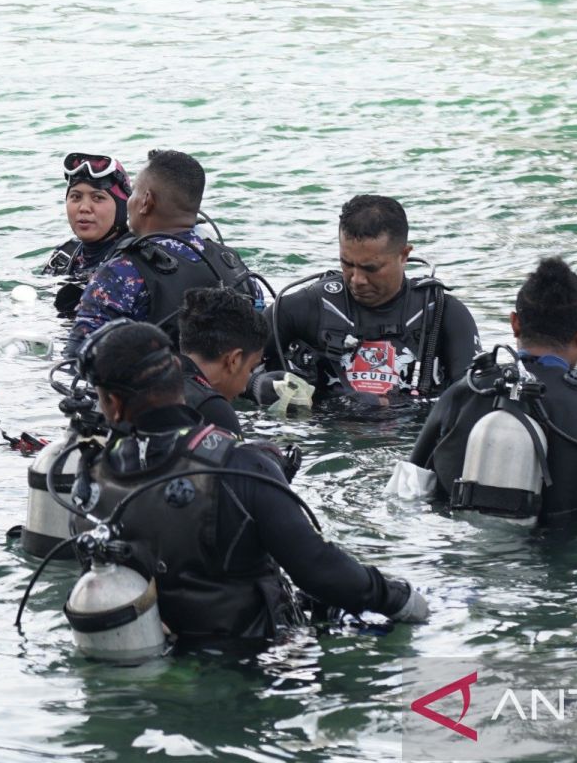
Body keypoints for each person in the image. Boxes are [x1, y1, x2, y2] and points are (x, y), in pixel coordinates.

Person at [67, 321, 429, 642]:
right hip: (253, 657)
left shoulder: (90, 477)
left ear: (112, 403)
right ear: (179, 370)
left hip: (158, 655)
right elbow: (318, 569)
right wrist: (400, 599)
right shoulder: (240, 464)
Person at [409, 257, 577, 522]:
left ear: (515, 323)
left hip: (458, 552)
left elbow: (407, 490)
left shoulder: (462, 393)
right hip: (558, 556)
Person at [256, 195, 479, 409]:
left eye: (370, 268)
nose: (357, 280)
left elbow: (472, 399)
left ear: (404, 255)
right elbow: (230, 366)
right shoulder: (302, 308)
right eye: (347, 264)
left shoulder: (443, 313)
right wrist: (257, 386)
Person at [63, 149, 261, 358]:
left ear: (146, 201)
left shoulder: (121, 272)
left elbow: (77, 359)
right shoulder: (233, 264)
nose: (130, 201)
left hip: (155, 389)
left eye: (135, 193)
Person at [42, 152, 132, 315]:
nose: (84, 207)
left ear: (122, 207)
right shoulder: (64, 255)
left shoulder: (132, 262)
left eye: (97, 198)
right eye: (75, 197)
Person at [176, 286, 269, 436]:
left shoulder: (152, 377)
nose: (244, 388)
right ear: (234, 360)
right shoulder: (213, 410)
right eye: (251, 368)